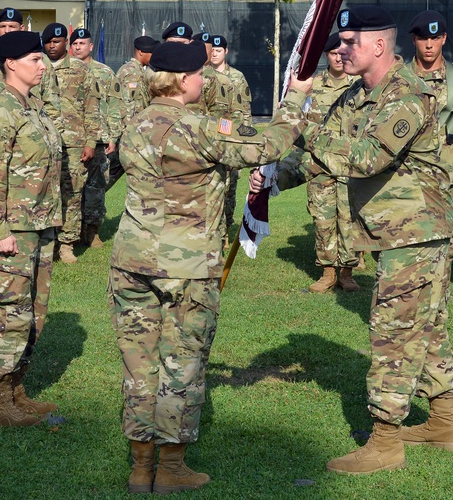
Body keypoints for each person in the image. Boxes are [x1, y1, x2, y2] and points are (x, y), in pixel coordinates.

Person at [256, 5, 453, 475]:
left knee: (393, 332)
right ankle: (444, 423)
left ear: (378, 45)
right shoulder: (356, 95)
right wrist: (272, 179)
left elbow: (366, 159)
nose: (341, 49)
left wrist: (301, 122)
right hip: (392, 232)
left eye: (350, 42)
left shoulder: (409, 95)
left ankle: (386, 440)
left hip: (415, 232)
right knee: (425, 328)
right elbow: (325, 152)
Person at [108, 40, 312, 494]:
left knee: (138, 364)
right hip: (187, 267)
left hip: (132, 262)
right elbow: (270, 143)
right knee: (183, 362)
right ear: (182, 80)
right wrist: (296, 96)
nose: (204, 79)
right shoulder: (199, 128)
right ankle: (173, 466)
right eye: (199, 73)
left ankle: (141, 467)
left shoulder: (135, 124)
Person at [0, 30, 62, 427]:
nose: (42, 66)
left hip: (40, 225)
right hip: (11, 230)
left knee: (33, 314)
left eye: (42, 59)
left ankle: (16, 391)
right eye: (34, 60)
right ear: (11, 64)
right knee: (9, 314)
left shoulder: (32, 108)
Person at [403, 11, 453, 299]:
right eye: (423, 38)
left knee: (446, 246)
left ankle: (435, 306)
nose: (428, 44)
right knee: (406, 246)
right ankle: (409, 302)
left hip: (447, 181)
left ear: (444, 39)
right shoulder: (398, 80)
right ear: (413, 39)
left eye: (434, 38)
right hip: (405, 180)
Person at [293, 32, 362, 293]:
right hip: (319, 165)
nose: (337, 57)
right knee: (322, 220)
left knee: (349, 220)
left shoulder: (358, 85)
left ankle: (347, 272)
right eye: (332, 53)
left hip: (348, 165)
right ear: (326, 56)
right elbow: (299, 123)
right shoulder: (312, 84)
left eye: (341, 53)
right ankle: (327, 272)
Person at [42, 23, 101, 261]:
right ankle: (47, 241)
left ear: (66, 42)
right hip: (42, 141)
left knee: (72, 193)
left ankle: (67, 244)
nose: (53, 46)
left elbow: (92, 106)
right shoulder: (35, 65)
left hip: (73, 142)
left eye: (57, 42)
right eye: (49, 42)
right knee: (44, 192)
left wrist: (91, 141)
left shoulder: (80, 69)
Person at [0, 8, 61, 138]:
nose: (7, 30)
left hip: (31, 131)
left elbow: (51, 99)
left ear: (22, 28)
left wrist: (51, 132)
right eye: (3, 26)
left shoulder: (40, 60)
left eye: (12, 26)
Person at [72, 28, 126, 254]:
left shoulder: (104, 73)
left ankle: (91, 230)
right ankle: (69, 234)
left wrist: (113, 135)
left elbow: (115, 105)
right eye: (74, 43)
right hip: (72, 139)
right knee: (70, 187)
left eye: (82, 43)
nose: (77, 47)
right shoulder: (62, 71)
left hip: (100, 139)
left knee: (96, 187)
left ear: (91, 46)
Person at [208, 34, 253, 232]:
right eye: (212, 50)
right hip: (210, 138)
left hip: (232, 139)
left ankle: (226, 226)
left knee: (230, 188)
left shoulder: (237, 77)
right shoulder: (203, 76)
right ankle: (214, 228)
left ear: (226, 51)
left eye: (218, 50)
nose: (214, 54)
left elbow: (245, 111)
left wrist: (246, 140)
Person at [118, 35, 157, 121]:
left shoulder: (137, 70)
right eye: (151, 53)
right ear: (141, 52)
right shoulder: (132, 72)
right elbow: (129, 103)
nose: (153, 56)